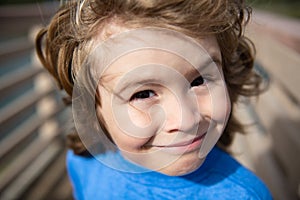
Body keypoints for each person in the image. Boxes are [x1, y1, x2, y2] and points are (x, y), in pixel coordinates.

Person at [36, 0, 272, 199]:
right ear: (92, 106)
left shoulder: (242, 194)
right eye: (143, 94)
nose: (186, 119)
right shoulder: (83, 163)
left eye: (198, 80)